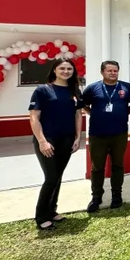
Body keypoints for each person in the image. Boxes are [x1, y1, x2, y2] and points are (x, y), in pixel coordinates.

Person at [28, 58, 83, 231]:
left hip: (66, 139)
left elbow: (78, 115)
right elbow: (34, 117)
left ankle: (52, 211)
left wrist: (77, 138)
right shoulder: (42, 90)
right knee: (51, 178)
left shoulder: (74, 91)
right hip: (47, 140)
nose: (66, 71)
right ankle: (41, 216)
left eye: (69, 69)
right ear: (54, 70)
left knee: (57, 177)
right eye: (62, 68)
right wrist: (42, 141)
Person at [81, 60, 130, 212]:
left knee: (118, 165)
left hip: (119, 134)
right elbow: (83, 104)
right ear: (102, 72)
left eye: (115, 70)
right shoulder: (93, 88)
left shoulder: (126, 88)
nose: (113, 73)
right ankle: (96, 197)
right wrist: (94, 113)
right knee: (97, 167)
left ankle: (117, 196)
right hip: (98, 134)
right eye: (109, 70)